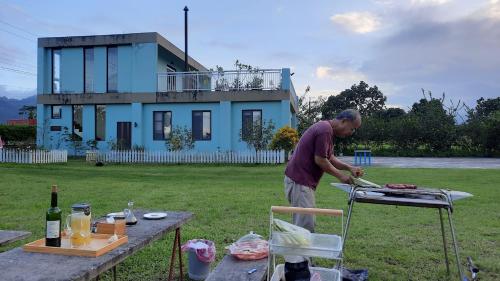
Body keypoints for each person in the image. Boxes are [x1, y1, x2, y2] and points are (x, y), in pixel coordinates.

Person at [284, 109, 364, 233]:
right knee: (305, 225)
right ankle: (299, 252)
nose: (351, 133)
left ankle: (299, 252)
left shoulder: (327, 130)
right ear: (344, 121)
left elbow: (329, 157)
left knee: (303, 222)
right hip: (299, 181)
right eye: (352, 128)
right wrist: (341, 176)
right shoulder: (325, 130)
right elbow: (320, 160)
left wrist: (349, 168)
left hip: (299, 181)